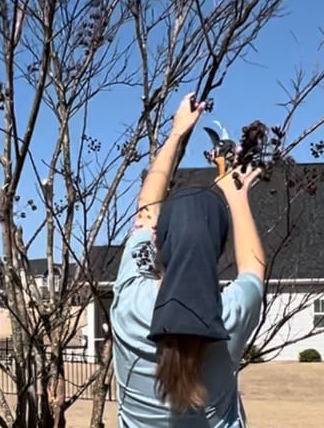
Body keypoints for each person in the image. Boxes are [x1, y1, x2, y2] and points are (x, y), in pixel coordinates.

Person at [111, 92, 265, 427]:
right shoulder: (230, 313)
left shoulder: (131, 301)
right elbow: (253, 268)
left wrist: (177, 132)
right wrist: (236, 193)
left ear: (159, 243)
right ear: (220, 249)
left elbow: (146, 210)